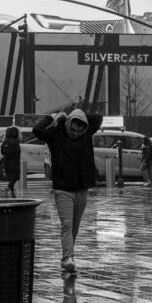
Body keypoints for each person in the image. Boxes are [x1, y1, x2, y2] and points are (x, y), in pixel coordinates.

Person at [33, 108, 103, 274]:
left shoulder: (86, 134)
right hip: (63, 188)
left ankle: (68, 256)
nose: (75, 133)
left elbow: (98, 117)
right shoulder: (56, 134)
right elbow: (37, 130)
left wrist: (77, 114)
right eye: (72, 128)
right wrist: (52, 117)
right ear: (67, 124)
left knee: (74, 227)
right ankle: (68, 258)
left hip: (82, 188)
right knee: (66, 224)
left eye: (79, 130)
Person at [0, 126, 21, 197]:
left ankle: (12, 192)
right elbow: (17, 152)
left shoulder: (5, 141)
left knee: (11, 177)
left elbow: (2, 151)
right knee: (15, 178)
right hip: (14, 162)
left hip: (6, 162)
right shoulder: (15, 142)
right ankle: (7, 188)